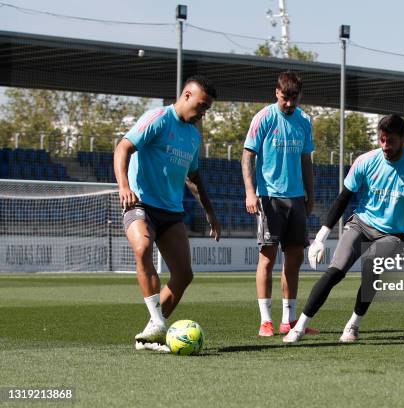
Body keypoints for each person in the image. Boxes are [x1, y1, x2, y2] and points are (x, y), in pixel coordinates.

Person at [283, 114, 404, 343]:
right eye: (381, 139)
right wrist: (320, 238)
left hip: (394, 233)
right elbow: (343, 198)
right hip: (361, 224)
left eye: (390, 141)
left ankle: (353, 324)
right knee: (335, 271)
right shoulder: (365, 160)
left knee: (371, 267)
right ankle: (300, 327)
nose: (385, 146)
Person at [114, 75, 221, 350]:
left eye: (208, 107)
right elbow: (123, 147)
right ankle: (158, 322)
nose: (204, 111)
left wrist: (210, 213)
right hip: (140, 202)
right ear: (186, 95)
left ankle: (152, 331)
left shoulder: (193, 136)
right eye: (202, 104)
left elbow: (194, 178)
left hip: (171, 210)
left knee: (184, 275)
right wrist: (124, 186)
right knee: (142, 247)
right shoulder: (158, 119)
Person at [242, 71, 317, 337]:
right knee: (267, 257)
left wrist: (311, 195)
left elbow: (307, 161)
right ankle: (266, 321)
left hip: (296, 199)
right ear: (277, 93)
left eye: (294, 99)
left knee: (294, 259)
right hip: (270, 197)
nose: (289, 103)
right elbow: (248, 155)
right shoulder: (264, 117)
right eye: (285, 98)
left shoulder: (305, 121)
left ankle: (289, 320)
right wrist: (251, 193)